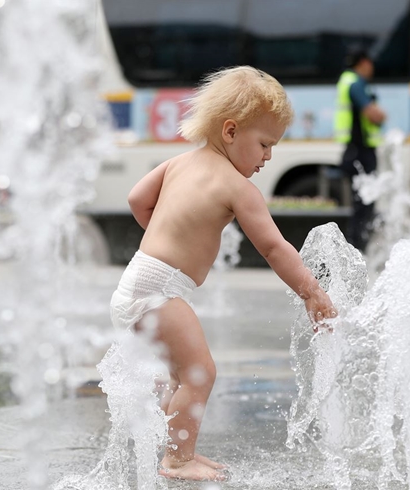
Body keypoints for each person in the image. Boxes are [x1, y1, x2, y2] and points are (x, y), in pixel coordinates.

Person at [108, 66, 338, 482]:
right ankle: (177, 460)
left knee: (181, 376)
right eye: (265, 144)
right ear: (230, 131)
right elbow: (273, 247)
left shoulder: (178, 163)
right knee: (201, 372)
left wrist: (169, 237)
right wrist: (310, 291)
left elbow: (136, 199)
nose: (269, 157)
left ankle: (168, 446)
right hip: (159, 290)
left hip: (138, 281)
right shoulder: (237, 188)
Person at [334, 47, 387, 252]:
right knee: (364, 204)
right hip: (360, 152)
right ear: (363, 63)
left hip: (354, 150)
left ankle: (355, 247)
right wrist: (381, 115)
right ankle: (356, 248)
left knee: (362, 203)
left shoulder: (347, 81)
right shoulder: (356, 83)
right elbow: (374, 115)